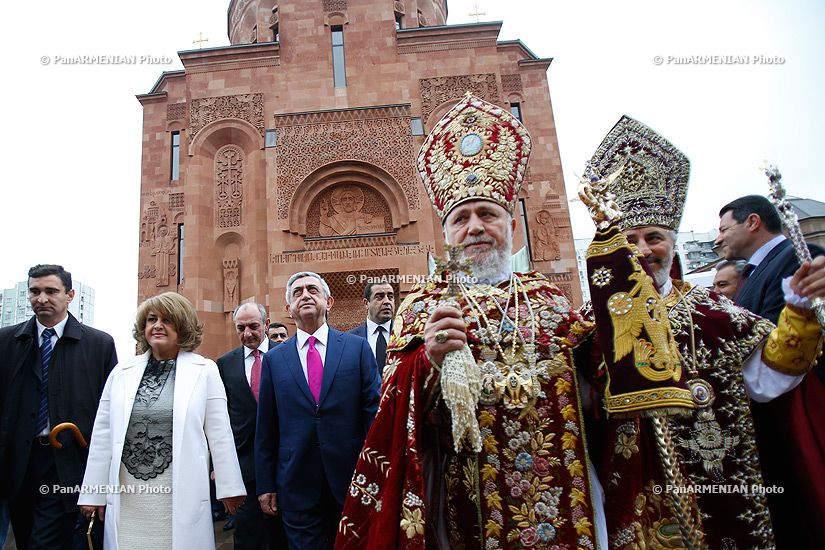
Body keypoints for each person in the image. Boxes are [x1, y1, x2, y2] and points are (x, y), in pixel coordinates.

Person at [335, 94, 636, 549]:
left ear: (510, 220)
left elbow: (607, 387)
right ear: (447, 233)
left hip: (563, 494)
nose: (475, 227)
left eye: (488, 214)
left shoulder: (552, 302)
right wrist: (429, 364)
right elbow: (398, 420)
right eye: (461, 219)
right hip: (469, 506)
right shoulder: (423, 308)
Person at [584, 116, 825, 549]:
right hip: (628, 496)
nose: (642, 251)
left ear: (672, 243)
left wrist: (799, 308)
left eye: (654, 237)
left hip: (716, 493)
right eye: (630, 239)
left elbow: (773, 377)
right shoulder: (588, 324)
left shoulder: (714, 313)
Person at [77, 292, 245, 549]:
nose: (157, 325)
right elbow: (102, 436)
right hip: (128, 495)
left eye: (167, 320)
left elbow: (220, 433)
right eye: (151, 319)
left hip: (181, 490)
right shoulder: (121, 373)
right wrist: (93, 492)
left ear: (183, 326)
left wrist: (229, 487)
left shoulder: (205, 370)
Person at [716, 194, 825, 547]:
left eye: (723, 229)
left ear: (752, 222)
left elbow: (772, 334)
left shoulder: (797, 255)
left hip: (803, 400)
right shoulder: (756, 270)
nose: (718, 240)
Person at [255, 271, 381, 550]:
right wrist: (266, 484)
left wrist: (378, 472)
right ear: (289, 309)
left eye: (312, 289)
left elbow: (373, 414)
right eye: (297, 292)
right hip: (296, 483)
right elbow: (266, 426)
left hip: (351, 479)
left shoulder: (357, 348)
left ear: (329, 301)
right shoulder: (274, 360)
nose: (305, 295)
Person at [0, 264, 117, 550]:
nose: (41, 298)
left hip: (68, 463)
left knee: (46, 542)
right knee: (25, 538)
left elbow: (111, 412)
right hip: (18, 463)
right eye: (35, 291)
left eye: (51, 291)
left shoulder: (99, 345)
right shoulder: (6, 342)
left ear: (70, 295)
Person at [217, 303, 288, 549]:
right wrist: (219, 466)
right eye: (241, 328)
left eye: (253, 326)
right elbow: (221, 418)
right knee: (248, 538)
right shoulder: (224, 364)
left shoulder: (289, 353)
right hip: (244, 469)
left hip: (286, 464)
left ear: (267, 325)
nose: (247, 333)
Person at [348, 282, 395, 372]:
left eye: (390, 297)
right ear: (366, 303)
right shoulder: (350, 339)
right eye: (379, 297)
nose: (387, 301)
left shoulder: (405, 334)